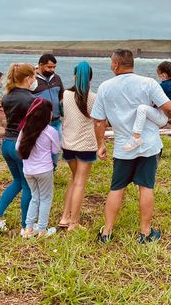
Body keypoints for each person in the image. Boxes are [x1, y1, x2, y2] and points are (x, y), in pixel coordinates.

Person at [92, 49, 171, 244]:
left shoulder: (105, 87)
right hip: (148, 144)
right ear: (132, 64)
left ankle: (107, 232)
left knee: (117, 187)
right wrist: (160, 118)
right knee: (146, 187)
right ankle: (145, 233)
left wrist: (100, 144)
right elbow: (170, 108)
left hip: (123, 146)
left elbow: (98, 121)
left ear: (115, 64)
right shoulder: (148, 83)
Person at [0, 63, 37, 234]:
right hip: (20, 144)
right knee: (29, 186)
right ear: (28, 78)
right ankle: (26, 227)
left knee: (17, 181)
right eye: (34, 76)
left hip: (6, 143)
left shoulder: (7, 96)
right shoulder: (31, 99)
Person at [59, 61, 97, 231]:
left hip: (68, 144)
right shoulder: (94, 98)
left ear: (75, 75)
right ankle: (73, 222)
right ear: (90, 77)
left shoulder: (66, 95)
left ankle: (64, 217)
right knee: (80, 182)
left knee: (73, 180)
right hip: (86, 145)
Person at [17, 98, 60, 237]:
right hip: (44, 170)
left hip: (28, 170)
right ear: (47, 115)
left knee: (35, 197)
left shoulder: (24, 129)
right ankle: (42, 230)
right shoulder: (50, 131)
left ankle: (28, 229)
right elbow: (55, 150)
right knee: (46, 198)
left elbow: (17, 147)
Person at [123, 60, 171, 151]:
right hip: (164, 115)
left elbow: (150, 95)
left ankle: (136, 138)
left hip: (162, 116)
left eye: (158, 74)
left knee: (142, 109)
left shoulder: (164, 86)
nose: (158, 77)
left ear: (164, 75)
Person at [33, 54, 64, 134]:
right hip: (39, 122)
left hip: (56, 121)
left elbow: (61, 95)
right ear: (40, 65)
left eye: (54, 67)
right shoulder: (32, 79)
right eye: (49, 67)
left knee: (58, 145)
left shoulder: (57, 78)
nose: (52, 69)